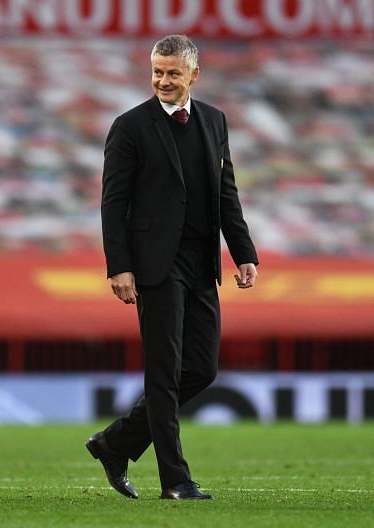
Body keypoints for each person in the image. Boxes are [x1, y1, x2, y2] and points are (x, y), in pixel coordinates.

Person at [86, 35, 258, 500]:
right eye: (157, 72)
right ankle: (175, 481)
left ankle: (115, 442)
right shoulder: (129, 126)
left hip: (202, 263)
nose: (163, 80)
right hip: (154, 266)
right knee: (163, 374)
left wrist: (243, 251)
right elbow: (112, 202)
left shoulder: (215, 121)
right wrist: (119, 266)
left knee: (201, 369)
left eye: (172, 73)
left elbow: (227, 193)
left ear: (194, 76)